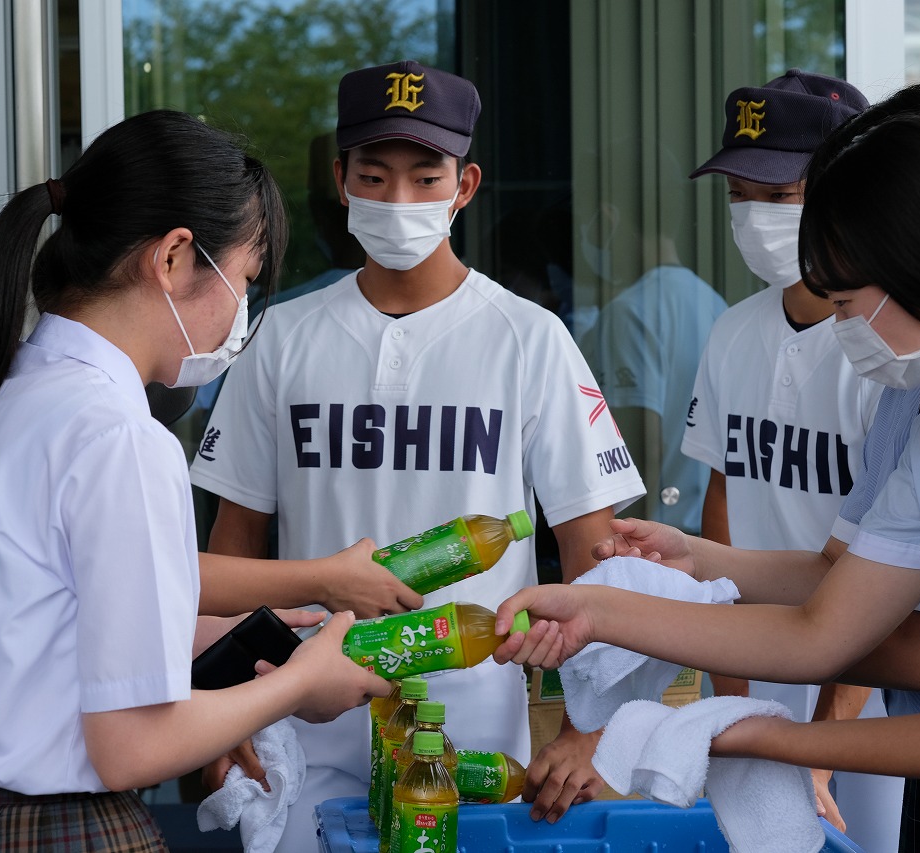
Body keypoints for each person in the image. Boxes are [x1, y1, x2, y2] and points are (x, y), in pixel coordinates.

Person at [0, 109, 388, 853]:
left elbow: (33, 633)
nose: (240, 315)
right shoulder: (119, 439)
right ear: (176, 257)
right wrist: (300, 683)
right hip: (56, 828)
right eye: (244, 279)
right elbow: (132, 746)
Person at [190, 60, 646, 848]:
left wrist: (582, 728)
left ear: (464, 186)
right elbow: (236, 539)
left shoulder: (529, 338)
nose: (398, 201)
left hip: (466, 743)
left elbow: (592, 556)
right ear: (341, 180)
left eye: (424, 177)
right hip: (300, 723)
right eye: (374, 174)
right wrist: (219, 706)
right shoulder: (281, 339)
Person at [493, 98, 920, 842]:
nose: (841, 328)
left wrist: (761, 734)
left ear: (916, 263)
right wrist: (614, 608)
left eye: (847, 301)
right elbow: (823, 617)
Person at [679, 69, 901, 847]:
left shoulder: (890, 345)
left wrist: (819, 746)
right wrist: (735, 702)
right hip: (748, 667)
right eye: (741, 193)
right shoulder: (732, 330)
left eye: (781, 195)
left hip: (866, 696)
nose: (758, 217)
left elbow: (890, 564)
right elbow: (722, 501)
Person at [578, 147, 727, 535]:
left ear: (608, 217)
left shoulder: (630, 312)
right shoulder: (712, 303)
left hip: (652, 540)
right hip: (702, 535)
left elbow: (638, 453)